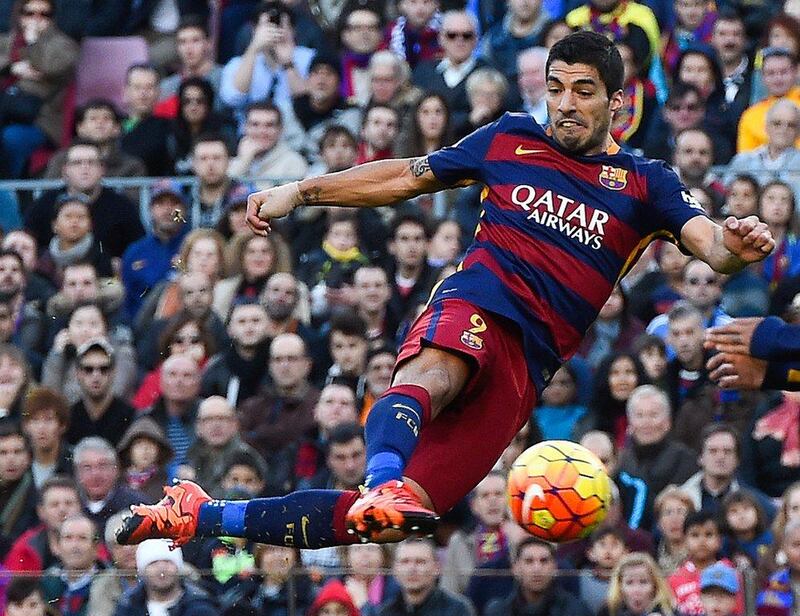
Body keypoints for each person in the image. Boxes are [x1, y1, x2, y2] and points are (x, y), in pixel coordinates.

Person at [117, 31, 774, 555]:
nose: (566, 103)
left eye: (583, 91)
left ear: (615, 104)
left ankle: (198, 515)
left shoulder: (644, 182)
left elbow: (708, 243)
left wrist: (733, 243)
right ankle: (381, 480)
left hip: (530, 364)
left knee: (391, 523)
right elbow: (407, 176)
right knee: (435, 375)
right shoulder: (511, 137)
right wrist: (302, 191)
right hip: (480, 302)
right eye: (556, 89)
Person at [485, 537, 592, 616]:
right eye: (529, 561)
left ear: (554, 567)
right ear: (515, 569)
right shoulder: (498, 611)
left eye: (544, 561)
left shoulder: (576, 611)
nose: (537, 568)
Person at [43, 99, 146, 181]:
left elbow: (132, 203)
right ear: (80, 127)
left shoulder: (131, 166)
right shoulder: (61, 161)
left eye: (106, 118)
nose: (100, 123)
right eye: (93, 118)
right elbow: (49, 196)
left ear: (117, 128)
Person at [369, 537, 475, 616]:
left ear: (437, 567)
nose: (412, 569)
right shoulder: (386, 612)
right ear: (395, 569)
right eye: (405, 562)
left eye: (420, 562)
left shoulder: (458, 609)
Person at [112, 539, 217, 616]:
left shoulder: (200, 608)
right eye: (153, 563)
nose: (161, 568)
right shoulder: (128, 607)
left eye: (168, 562)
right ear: (142, 570)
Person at [4, 475, 81, 573]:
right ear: (41, 511)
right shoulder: (24, 548)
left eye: (69, 503)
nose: (62, 510)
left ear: (80, 508)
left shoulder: (92, 544)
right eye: (54, 504)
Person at [598, 551, 677, 616]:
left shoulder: (669, 610)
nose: (636, 590)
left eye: (643, 582)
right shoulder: (608, 610)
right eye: (629, 583)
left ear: (655, 585)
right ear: (620, 586)